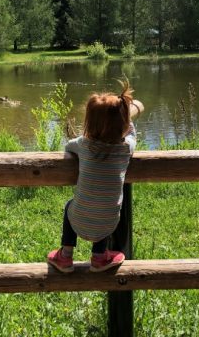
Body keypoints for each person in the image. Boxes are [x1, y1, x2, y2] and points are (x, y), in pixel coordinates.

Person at [47, 81, 143, 273]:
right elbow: (132, 135)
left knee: (69, 206)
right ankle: (99, 257)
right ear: (122, 123)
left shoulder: (84, 145)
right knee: (104, 208)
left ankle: (65, 256)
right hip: (109, 224)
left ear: (89, 123)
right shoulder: (125, 149)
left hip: (78, 221)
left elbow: (68, 146)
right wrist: (128, 119)